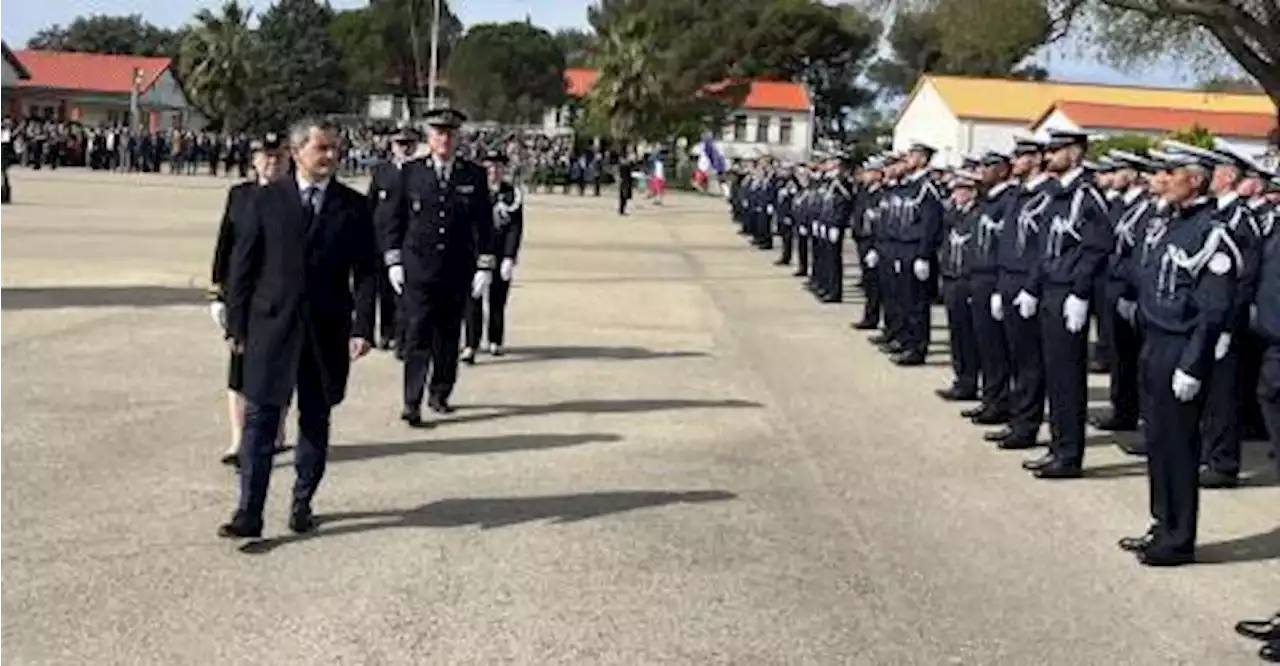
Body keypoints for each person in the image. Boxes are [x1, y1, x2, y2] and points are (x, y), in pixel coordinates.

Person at [218, 118, 379, 539]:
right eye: (322, 148)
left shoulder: (353, 206)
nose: (330, 156)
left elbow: (365, 273)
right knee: (260, 420)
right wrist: (236, 324)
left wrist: (363, 326)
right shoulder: (266, 201)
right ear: (297, 152)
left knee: (315, 419)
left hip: (325, 331)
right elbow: (243, 267)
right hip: (271, 327)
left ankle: (302, 502)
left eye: (334, 149)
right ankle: (248, 511)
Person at [1118, 145, 1238, 566]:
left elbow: (1214, 306)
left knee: (1179, 444)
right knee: (1157, 440)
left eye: (1170, 172)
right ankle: (1162, 521)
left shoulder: (1210, 231)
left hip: (1180, 346)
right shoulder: (1166, 224)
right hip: (1154, 340)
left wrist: (1194, 362)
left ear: (1196, 179)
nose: (1160, 179)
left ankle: (1179, 536)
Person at [385, 107, 495, 427]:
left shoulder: (472, 174)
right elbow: (396, 219)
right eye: (438, 133)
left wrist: (484, 265)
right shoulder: (410, 173)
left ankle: (440, 391)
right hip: (419, 267)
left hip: (456, 268)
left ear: (458, 137)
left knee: (448, 334)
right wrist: (393, 260)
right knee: (418, 332)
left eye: (449, 133)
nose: (444, 139)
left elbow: (484, 224)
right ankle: (412, 400)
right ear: (429, 137)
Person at [1018, 130, 1112, 479]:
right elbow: (1047, 248)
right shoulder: (1058, 194)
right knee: (1053, 373)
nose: (1047, 156)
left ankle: (1069, 454)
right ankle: (1057, 446)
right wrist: (1032, 287)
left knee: (1068, 377)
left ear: (1074, 153)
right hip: (1050, 290)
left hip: (1069, 292)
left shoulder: (1086, 195)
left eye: (1055, 150)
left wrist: (1081, 292)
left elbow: (1097, 246)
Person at [208, 131, 292, 467]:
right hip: (244, 296)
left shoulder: (294, 196)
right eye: (265, 156)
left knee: (280, 367)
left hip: (281, 297)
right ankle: (238, 439)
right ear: (254, 160)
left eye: (277, 156)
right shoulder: (239, 195)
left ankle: (276, 431)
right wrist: (218, 293)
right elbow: (224, 245)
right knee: (239, 366)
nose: (271, 162)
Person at [463, 150, 524, 362]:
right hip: (475, 254)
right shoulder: (474, 190)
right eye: (489, 166)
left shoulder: (511, 194)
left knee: (497, 299)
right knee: (473, 300)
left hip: (499, 253)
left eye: (498, 166)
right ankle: (471, 343)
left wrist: (510, 255)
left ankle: (495, 340)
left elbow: (515, 228)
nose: (493, 171)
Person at [368, 123, 419, 353]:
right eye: (400, 144)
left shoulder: (420, 172)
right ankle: (386, 332)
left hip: (408, 240)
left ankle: (402, 336)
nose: (404, 149)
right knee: (383, 290)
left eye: (409, 144)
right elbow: (371, 204)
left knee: (404, 291)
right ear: (392, 145)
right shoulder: (381, 171)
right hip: (380, 239)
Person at [936, 169, 981, 401]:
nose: (957, 194)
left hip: (968, 279)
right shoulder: (954, 214)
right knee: (957, 333)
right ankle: (961, 378)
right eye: (955, 189)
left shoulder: (977, 214)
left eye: (963, 190)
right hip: (953, 276)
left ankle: (970, 382)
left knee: (970, 335)